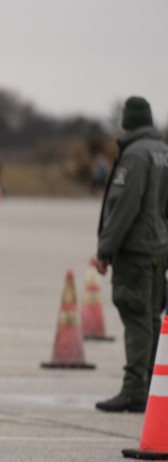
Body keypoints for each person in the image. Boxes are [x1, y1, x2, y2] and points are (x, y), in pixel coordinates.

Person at [91, 96, 168, 413]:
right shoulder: (162, 151)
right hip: (158, 247)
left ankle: (135, 389)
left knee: (136, 316)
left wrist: (105, 249)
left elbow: (123, 207)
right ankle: (152, 386)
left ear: (127, 124)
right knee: (150, 316)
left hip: (136, 250)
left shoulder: (135, 155)